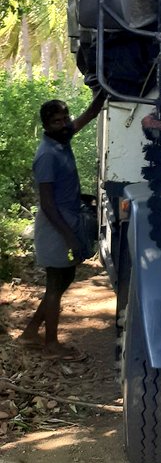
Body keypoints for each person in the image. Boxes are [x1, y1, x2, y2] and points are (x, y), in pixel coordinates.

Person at [18, 89, 106, 359]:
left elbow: (89, 114)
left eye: (66, 116)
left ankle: (31, 332)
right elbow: (47, 203)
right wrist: (69, 237)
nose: (65, 122)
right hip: (56, 227)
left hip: (67, 220)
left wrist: (106, 86)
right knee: (56, 282)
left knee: (65, 277)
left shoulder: (62, 138)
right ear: (46, 125)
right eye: (57, 120)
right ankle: (52, 345)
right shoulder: (47, 154)